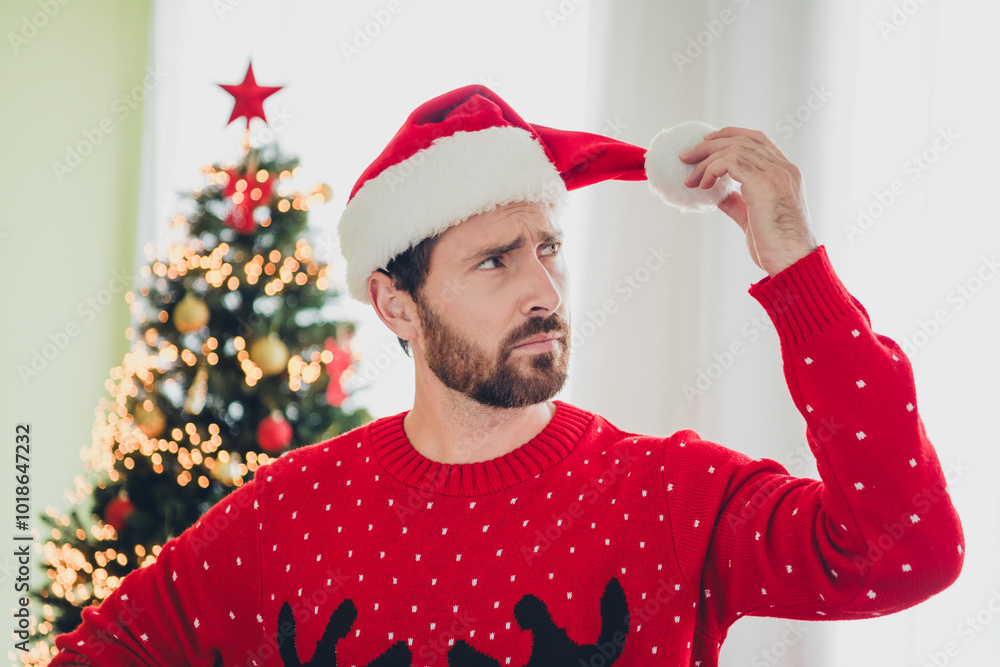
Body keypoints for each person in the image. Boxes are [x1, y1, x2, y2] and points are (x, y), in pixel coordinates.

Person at [50, 84, 963, 667]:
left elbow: (907, 548)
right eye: (494, 261)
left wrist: (795, 267)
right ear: (397, 304)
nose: (543, 288)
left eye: (549, 248)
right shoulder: (291, 509)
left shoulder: (672, 496)